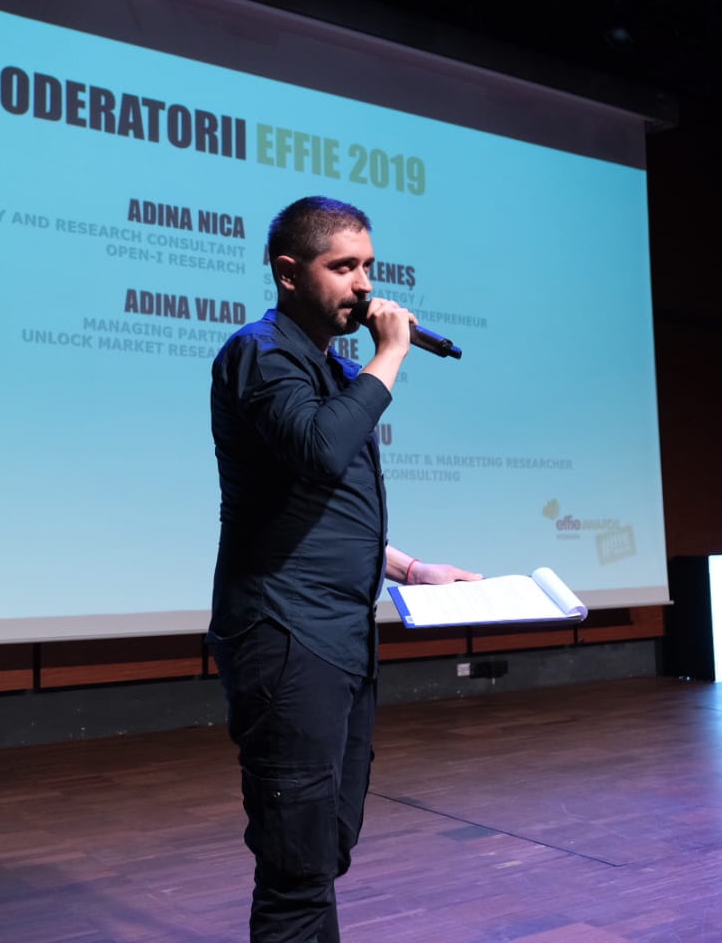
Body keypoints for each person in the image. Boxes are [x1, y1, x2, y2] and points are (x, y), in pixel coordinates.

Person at [208, 196, 482, 942]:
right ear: (288, 273)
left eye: (369, 266)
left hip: (339, 634)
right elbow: (321, 450)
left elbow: (317, 502)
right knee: (296, 862)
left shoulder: (332, 368)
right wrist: (391, 356)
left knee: (326, 843)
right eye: (344, 267)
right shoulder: (260, 353)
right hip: (285, 633)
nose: (364, 285)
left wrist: (410, 568)